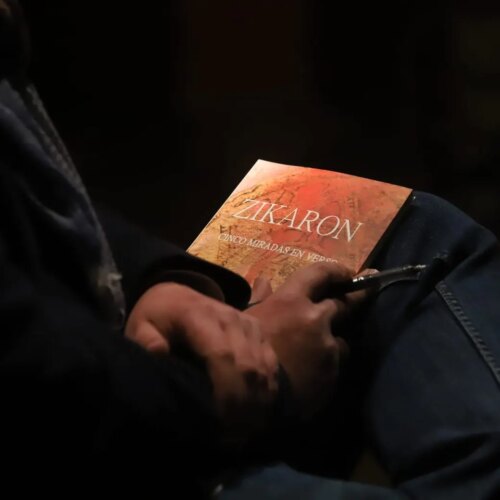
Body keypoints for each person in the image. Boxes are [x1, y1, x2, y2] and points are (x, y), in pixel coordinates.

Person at [1, 2, 500, 499]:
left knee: (419, 232)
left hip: (101, 349)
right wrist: (243, 383)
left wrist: (159, 278)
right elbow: (37, 382)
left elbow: (29, 196)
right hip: (101, 435)